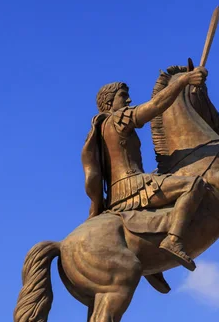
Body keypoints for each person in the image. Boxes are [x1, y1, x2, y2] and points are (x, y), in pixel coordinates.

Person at [81, 66, 208, 271]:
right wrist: (184, 80)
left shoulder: (100, 128)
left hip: (115, 195)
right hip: (134, 186)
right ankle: (173, 240)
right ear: (109, 102)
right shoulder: (117, 119)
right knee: (193, 185)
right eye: (123, 96)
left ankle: (149, 255)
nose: (128, 101)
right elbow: (156, 105)